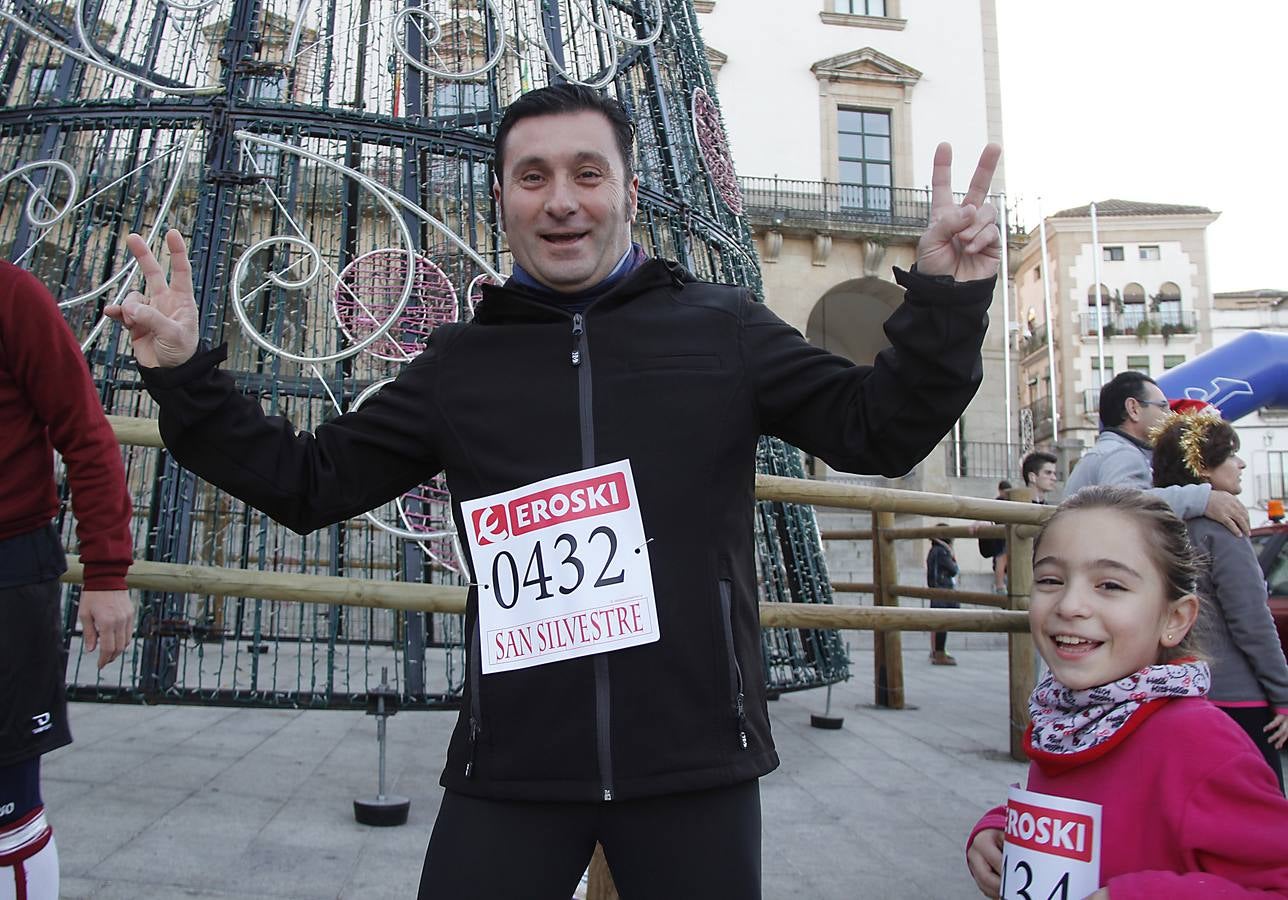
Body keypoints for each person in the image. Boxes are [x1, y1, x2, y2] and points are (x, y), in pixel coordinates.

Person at [106, 83, 1003, 898]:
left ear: (629, 194)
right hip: (515, 765)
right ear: (502, 201)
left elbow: (876, 428)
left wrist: (945, 304)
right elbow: (307, 482)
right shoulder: (459, 366)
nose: (562, 200)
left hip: (693, 759)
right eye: (532, 177)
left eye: (587, 173)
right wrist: (188, 377)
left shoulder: (722, 327)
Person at [965, 486, 1288, 898]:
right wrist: (1001, 828)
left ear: (1175, 618)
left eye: (1111, 585)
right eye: (1050, 579)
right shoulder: (1064, 718)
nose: (1070, 604)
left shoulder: (1202, 745)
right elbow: (1095, 813)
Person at [0, 262, 135, 900]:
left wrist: (106, 574)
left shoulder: (11, 295)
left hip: (7, 572)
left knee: (6, 811)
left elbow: (84, 433)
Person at [1152, 408, 1288, 790]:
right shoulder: (1222, 527)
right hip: (1236, 698)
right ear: (1203, 466)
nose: (1241, 463)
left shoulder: (1156, 527)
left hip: (1175, 693)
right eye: (1231, 454)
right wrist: (1283, 694)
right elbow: (1251, 620)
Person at [1064, 371, 1249, 537]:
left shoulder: (1110, 451)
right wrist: (1203, 499)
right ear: (1133, 409)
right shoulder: (1121, 453)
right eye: (1163, 407)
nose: (1170, 416)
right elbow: (1125, 505)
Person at [927, 526, 960, 665]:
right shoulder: (942, 552)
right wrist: (952, 556)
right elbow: (953, 570)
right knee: (942, 624)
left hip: (935, 588)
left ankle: (936, 651)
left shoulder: (933, 551)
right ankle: (939, 653)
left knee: (938, 624)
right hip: (943, 589)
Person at [977, 479, 1010, 593]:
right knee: (1002, 557)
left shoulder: (998, 503)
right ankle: (1000, 586)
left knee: (1000, 558)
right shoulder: (1009, 503)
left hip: (999, 539)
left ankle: (1000, 587)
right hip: (1005, 538)